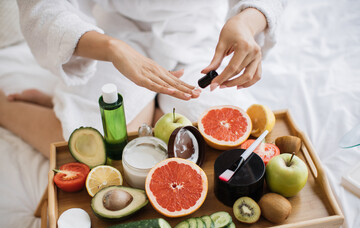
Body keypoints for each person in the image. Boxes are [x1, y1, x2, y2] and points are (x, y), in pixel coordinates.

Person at [0, 0, 284, 158]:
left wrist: (246, 22)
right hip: (114, 36)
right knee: (101, 152)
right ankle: (7, 108)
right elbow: (42, 7)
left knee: (232, 141)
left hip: (204, 41)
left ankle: (65, 102)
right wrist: (112, 48)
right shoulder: (112, 45)